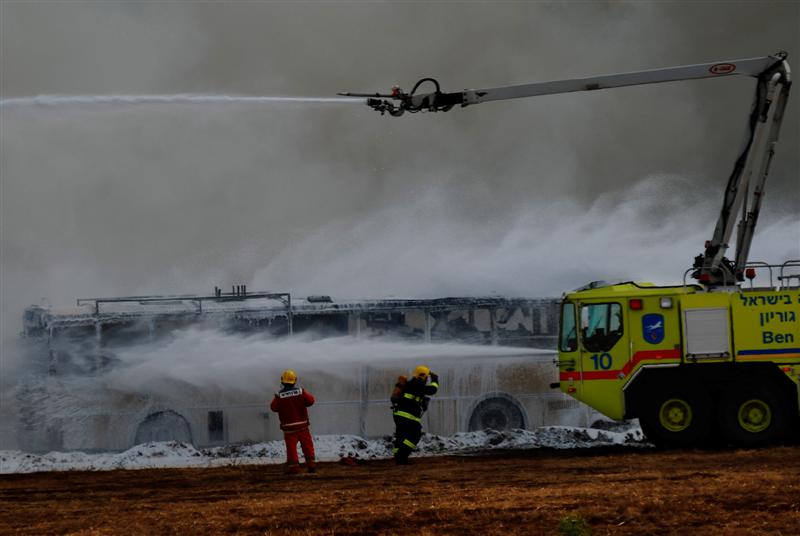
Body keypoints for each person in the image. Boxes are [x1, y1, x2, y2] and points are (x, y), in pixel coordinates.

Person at [270, 369, 316, 474]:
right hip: (303, 426)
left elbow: (273, 408)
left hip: (289, 428)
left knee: (291, 449)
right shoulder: (301, 392)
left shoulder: (279, 396)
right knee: (307, 445)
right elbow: (311, 401)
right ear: (295, 380)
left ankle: (294, 468)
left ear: (282, 381)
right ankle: (311, 465)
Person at [390, 364, 439, 465]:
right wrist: (435, 380)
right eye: (427, 378)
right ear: (423, 376)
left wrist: (421, 403)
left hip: (399, 415)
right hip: (408, 417)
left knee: (401, 435)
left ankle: (398, 457)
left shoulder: (410, 384)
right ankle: (402, 455)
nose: (427, 380)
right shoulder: (418, 384)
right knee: (415, 435)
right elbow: (432, 390)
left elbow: (411, 399)